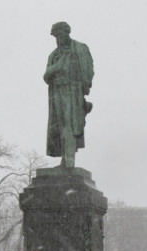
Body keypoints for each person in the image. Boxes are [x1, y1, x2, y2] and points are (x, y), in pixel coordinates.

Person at [43, 21, 94, 168]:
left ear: (67, 33)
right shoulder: (53, 55)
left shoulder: (79, 48)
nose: (58, 39)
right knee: (60, 127)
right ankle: (65, 160)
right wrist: (57, 67)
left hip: (72, 91)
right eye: (56, 36)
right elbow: (46, 76)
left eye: (60, 35)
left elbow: (88, 69)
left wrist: (84, 87)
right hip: (56, 92)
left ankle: (69, 160)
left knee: (69, 125)